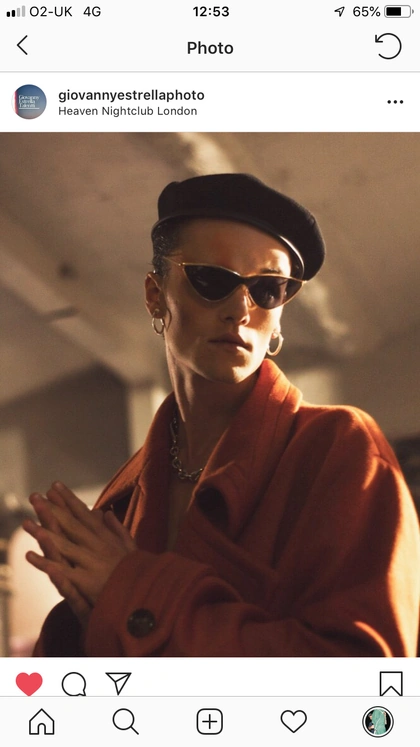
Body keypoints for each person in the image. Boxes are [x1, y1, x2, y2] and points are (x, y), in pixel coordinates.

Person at [23, 173, 420, 657]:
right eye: (212, 279)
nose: (240, 309)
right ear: (155, 295)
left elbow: (366, 678)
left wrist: (131, 591)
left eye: (268, 288)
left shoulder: (340, 449)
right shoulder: (123, 498)